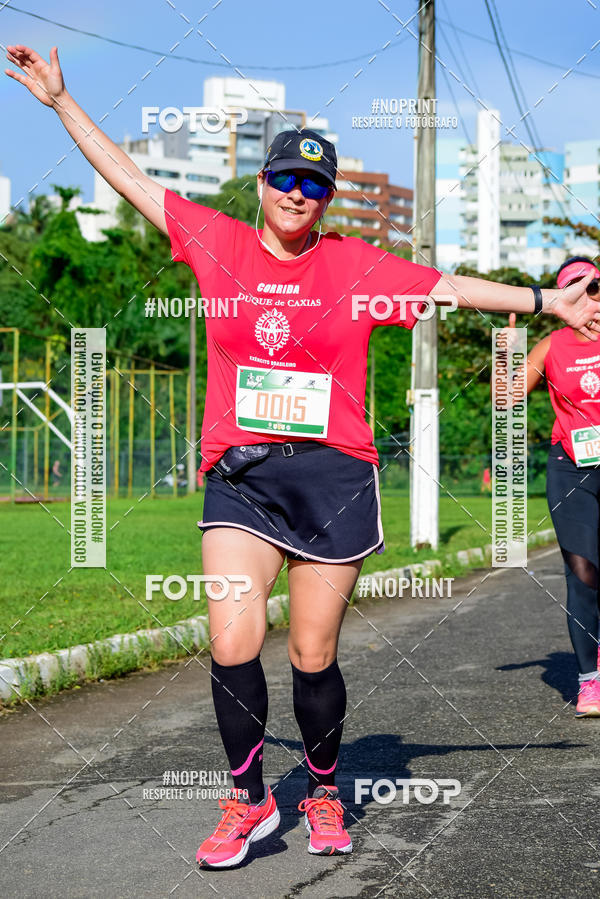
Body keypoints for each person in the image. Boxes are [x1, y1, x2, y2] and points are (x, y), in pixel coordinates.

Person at [7, 44, 600, 869]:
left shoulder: (357, 266)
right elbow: (132, 180)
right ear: (262, 183)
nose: (298, 194)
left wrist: (546, 300)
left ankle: (322, 786)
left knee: (312, 654)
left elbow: (447, 288)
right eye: (287, 179)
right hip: (243, 476)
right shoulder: (213, 244)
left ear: (326, 199)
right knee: (230, 636)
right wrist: (62, 101)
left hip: (332, 479)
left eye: (315, 185)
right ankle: (247, 799)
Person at [502, 257, 600, 718]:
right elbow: (505, 398)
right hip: (572, 469)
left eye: (596, 288)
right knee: (583, 574)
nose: (589, 299)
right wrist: (509, 346)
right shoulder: (551, 346)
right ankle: (589, 681)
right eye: (577, 291)